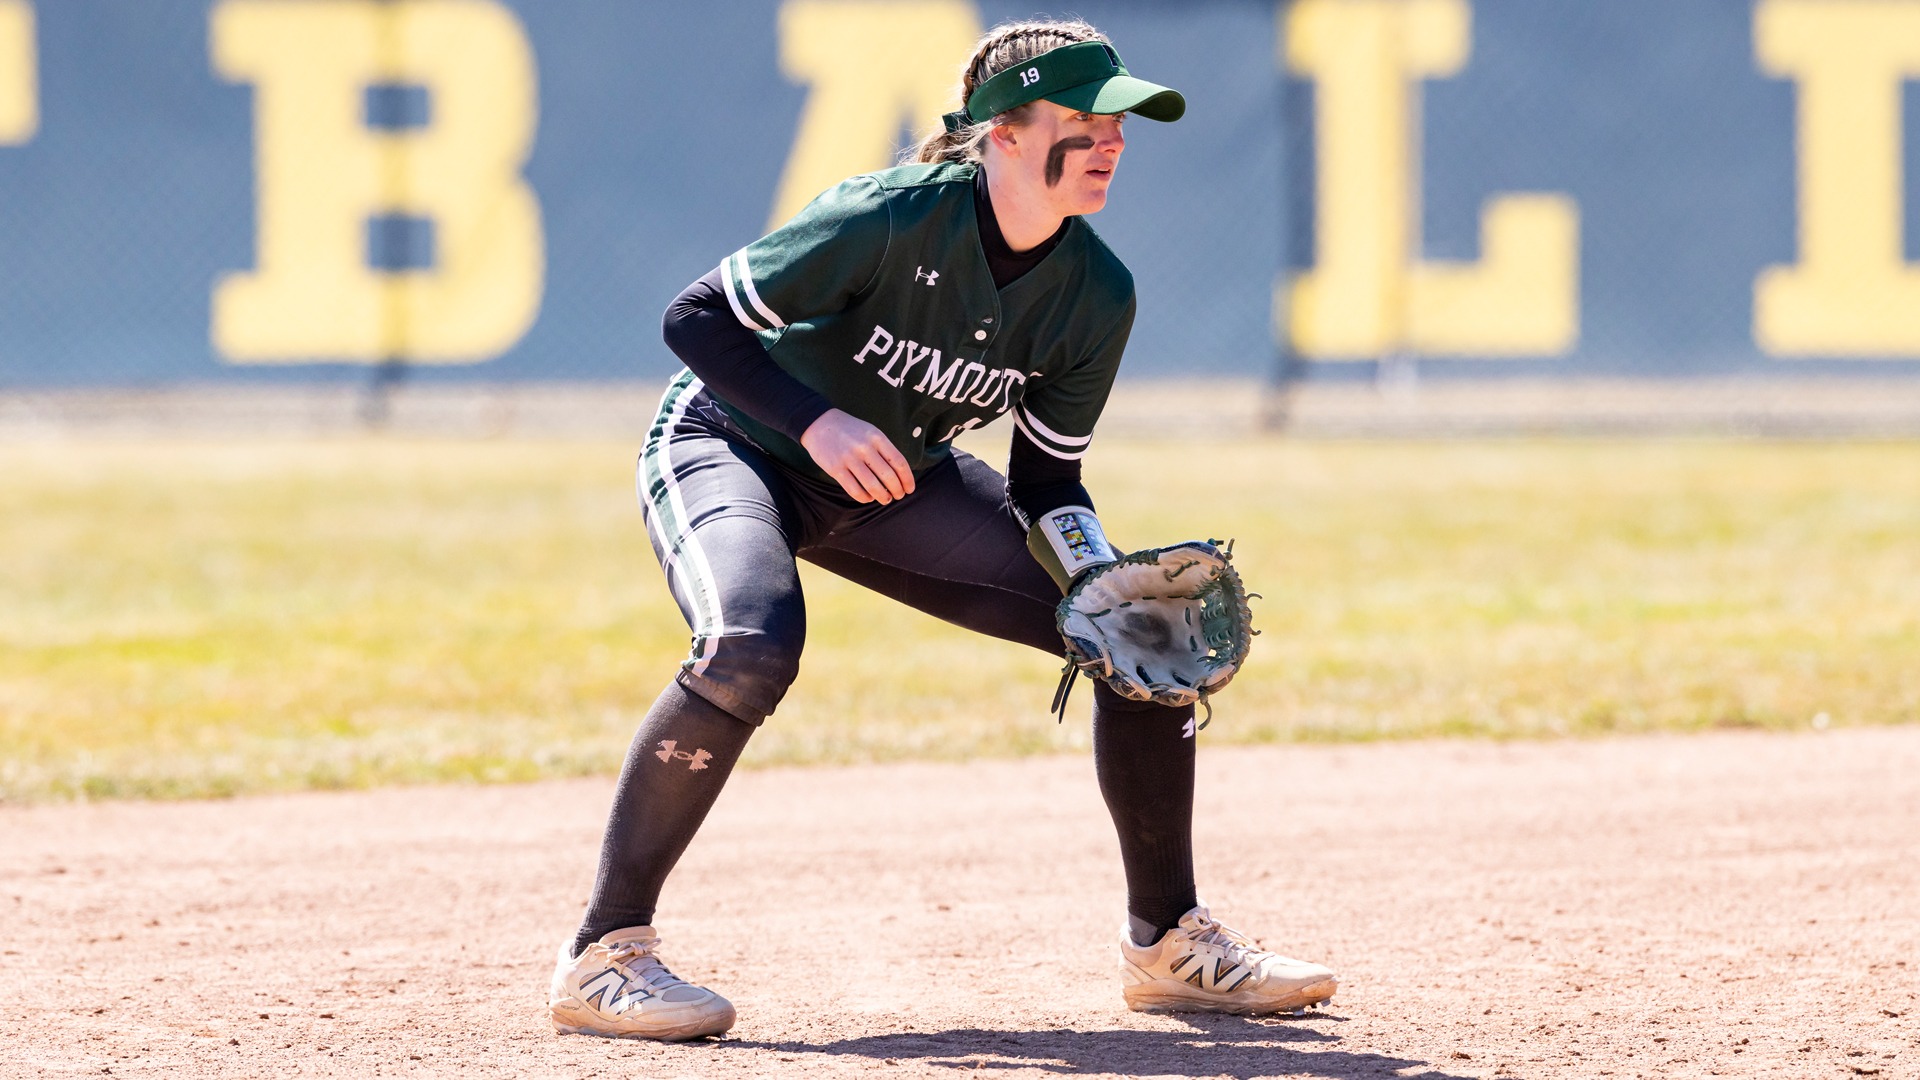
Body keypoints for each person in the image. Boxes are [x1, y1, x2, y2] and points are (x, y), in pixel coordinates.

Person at [548, 18, 1337, 1042]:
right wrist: (814, 421)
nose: (1115, 142)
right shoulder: (887, 217)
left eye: (1122, 125)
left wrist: (1099, 577)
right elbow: (696, 319)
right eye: (1090, 120)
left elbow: (1048, 474)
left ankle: (1170, 947)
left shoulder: (1096, 294)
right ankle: (603, 958)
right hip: (729, 442)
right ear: (1004, 133)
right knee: (748, 648)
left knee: (1145, 644)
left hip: (891, 483)